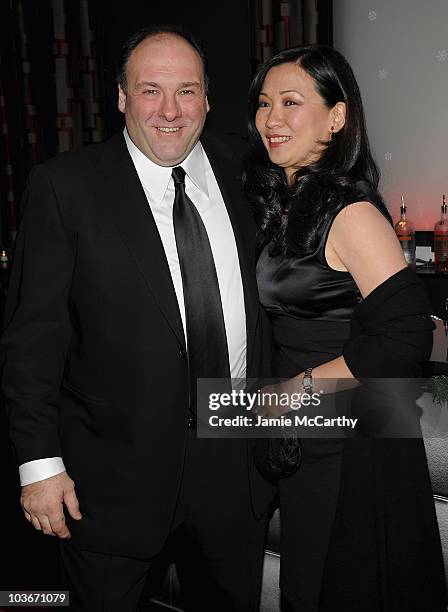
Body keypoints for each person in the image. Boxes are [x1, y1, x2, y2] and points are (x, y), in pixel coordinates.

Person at [1, 26, 272, 611]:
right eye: (150, 91)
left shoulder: (251, 170)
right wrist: (38, 466)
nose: (169, 111)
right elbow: (32, 341)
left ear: (207, 99)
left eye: (187, 91)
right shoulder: (65, 186)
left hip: (235, 470)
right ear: (121, 98)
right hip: (109, 483)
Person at [243, 45, 446, 611]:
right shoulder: (285, 201)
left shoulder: (349, 212)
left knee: (336, 585)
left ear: (336, 118)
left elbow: (406, 336)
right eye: (263, 103)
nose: (271, 119)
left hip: (350, 436)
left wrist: (291, 394)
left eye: (290, 102)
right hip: (308, 433)